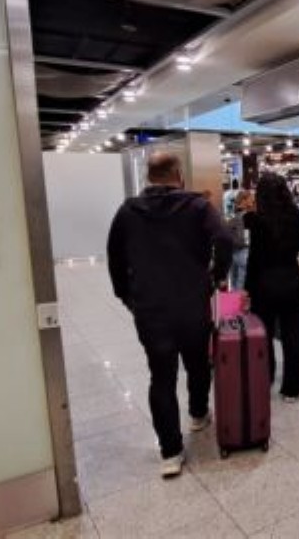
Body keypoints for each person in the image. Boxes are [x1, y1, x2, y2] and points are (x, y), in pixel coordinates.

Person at [106, 152, 233, 478]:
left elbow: (114, 257)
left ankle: (170, 452)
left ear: (149, 176)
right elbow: (224, 239)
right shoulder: (198, 207)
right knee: (197, 364)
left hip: (151, 309)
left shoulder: (127, 211)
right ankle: (198, 413)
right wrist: (216, 276)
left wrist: (126, 295)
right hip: (192, 304)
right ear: (179, 174)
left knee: (161, 377)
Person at [244, 173, 299, 402]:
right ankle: (292, 389)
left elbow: (253, 258)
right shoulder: (297, 215)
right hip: (293, 280)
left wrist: (247, 289)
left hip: (264, 284)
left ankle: (266, 379)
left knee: (264, 336)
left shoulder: (255, 219)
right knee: (294, 336)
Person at [227, 190, 254, 290]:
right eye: (251, 199)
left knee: (233, 282)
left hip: (232, 251)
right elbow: (246, 237)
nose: (252, 202)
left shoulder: (231, 214)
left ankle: (233, 300)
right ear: (244, 200)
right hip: (244, 251)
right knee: (241, 285)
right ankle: (238, 300)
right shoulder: (248, 216)